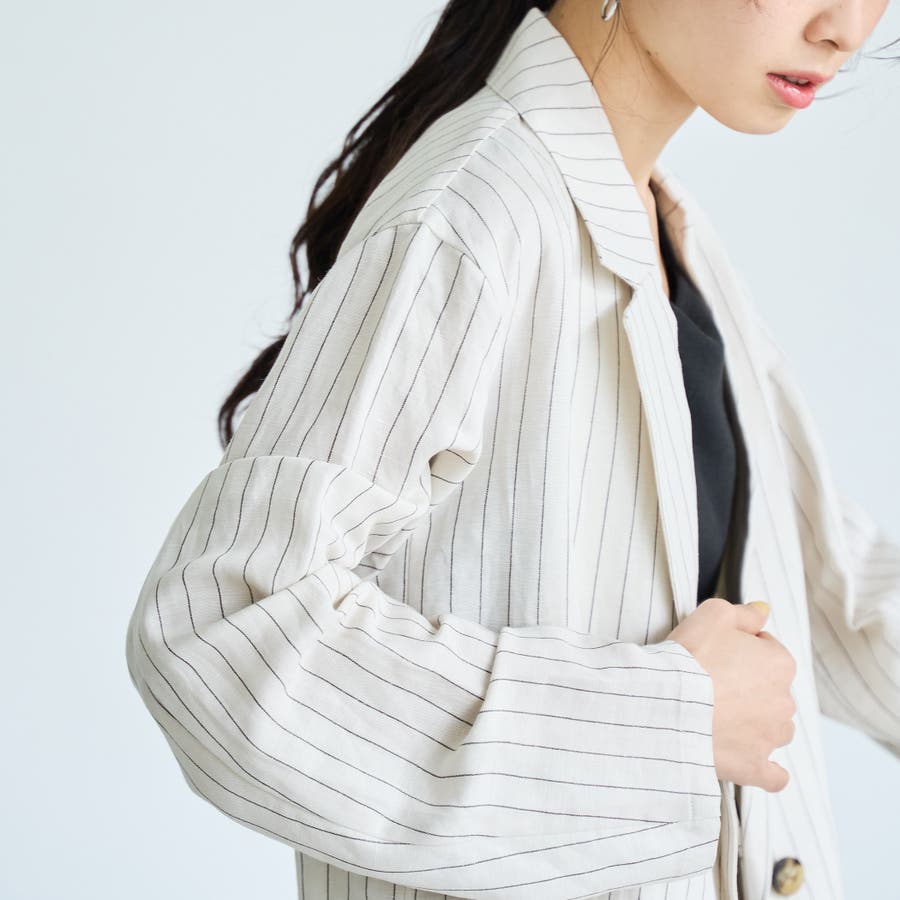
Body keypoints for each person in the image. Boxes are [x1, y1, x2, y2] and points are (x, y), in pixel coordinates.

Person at [124, 2, 899, 898]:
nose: (847, 28)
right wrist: (665, 726)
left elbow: (820, 581)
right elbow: (221, 634)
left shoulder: (665, 227)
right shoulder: (473, 215)